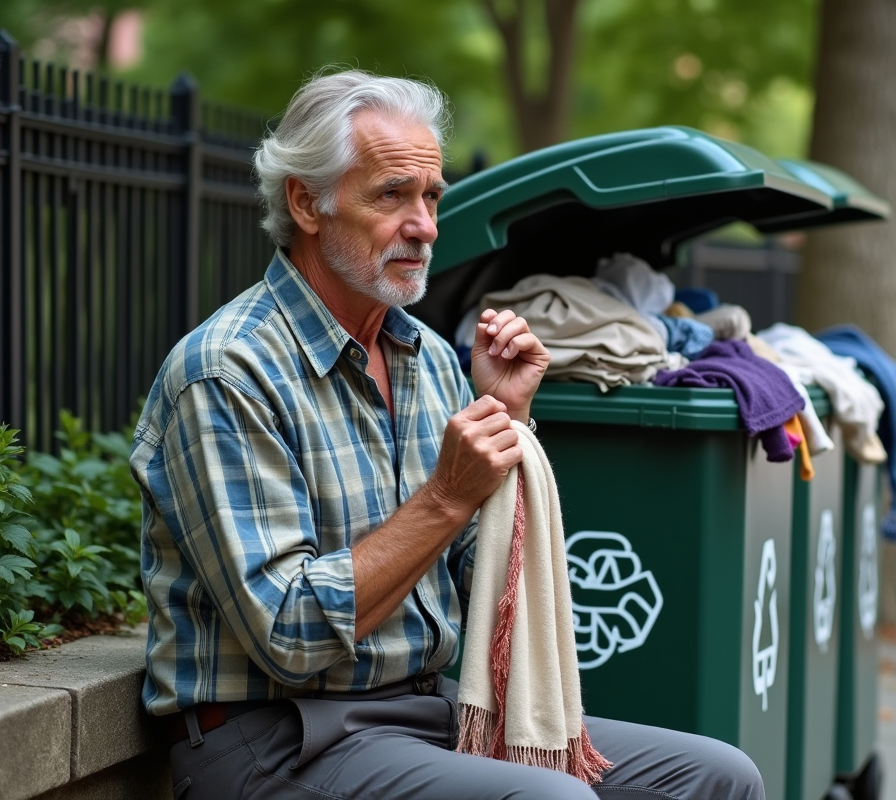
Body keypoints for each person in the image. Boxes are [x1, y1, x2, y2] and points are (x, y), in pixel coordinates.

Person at [130, 69, 765, 800]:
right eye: (392, 194)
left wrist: (507, 425)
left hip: (426, 711)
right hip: (274, 740)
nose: (426, 225)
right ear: (307, 202)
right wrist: (446, 494)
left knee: (716, 777)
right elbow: (292, 636)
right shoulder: (225, 372)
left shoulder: (427, 358)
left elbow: (480, 577)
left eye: (432, 196)